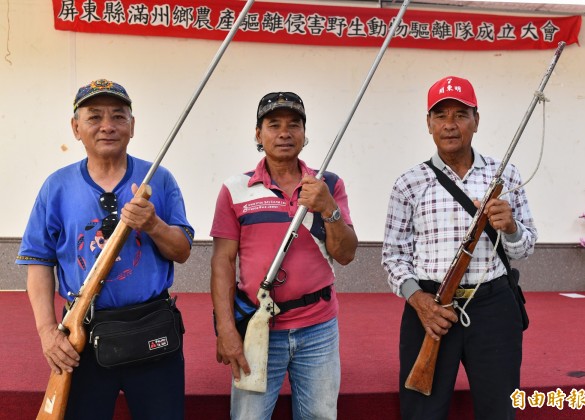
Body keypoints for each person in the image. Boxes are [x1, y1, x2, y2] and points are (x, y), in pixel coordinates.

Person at [16, 79, 194, 419]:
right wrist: (47, 333)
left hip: (152, 331)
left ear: (132, 126)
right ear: (76, 127)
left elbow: (183, 251)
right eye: (94, 116)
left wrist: (153, 225)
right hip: (81, 336)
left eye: (118, 116)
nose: (107, 126)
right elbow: (38, 263)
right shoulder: (56, 186)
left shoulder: (159, 179)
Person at [382, 76, 537, 419]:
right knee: (422, 412)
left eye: (460, 114)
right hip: (429, 309)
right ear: (429, 124)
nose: (450, 125)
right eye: (440, 115)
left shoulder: (505, 175)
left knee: (500, 409)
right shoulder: (409, 183)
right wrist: (419, 301)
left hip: (494, 306)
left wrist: (510, 228)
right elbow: (393, 256)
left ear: (476, 121)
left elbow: (525, 247)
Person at [210, 92, 358, 419]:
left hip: (318, 327)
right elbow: (222, 263)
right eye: (273, 124)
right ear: (258, 134)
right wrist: (225, 328)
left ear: (305, 134)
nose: (284, 133)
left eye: (294, 125)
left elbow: (345, 254)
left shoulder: (327, 184)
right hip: (257, 325)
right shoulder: (236, 188)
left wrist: (329, 208)